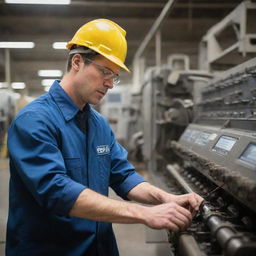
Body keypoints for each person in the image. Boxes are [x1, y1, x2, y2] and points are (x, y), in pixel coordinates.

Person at [6, 19, 203, 256]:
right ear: (77, 61)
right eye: (105, 71)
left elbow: (123, 175)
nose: (110, 83)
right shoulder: (34, 120)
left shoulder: (98, 124)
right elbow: (56, 191)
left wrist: (165, 198)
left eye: (115, 76)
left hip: (99, 249)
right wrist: (144, 213)